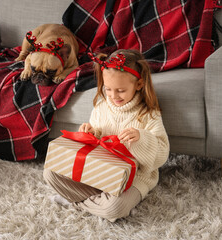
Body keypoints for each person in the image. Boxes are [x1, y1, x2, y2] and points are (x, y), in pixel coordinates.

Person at [43, 49, 170, 222]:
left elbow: (162, 154)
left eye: (121, 90)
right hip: (100, 171)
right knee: (50, 173)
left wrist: (141, 138)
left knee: (114, 208)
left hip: (133, 179)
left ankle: (75, 200)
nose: (113, 96)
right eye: (108, 89)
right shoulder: (102, 106)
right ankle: (96, 203)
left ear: (139, 84)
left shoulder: (149, 113)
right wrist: (91, 132)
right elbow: (96, 140)